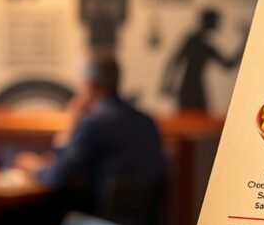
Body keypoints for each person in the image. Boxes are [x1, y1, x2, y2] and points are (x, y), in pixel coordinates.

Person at [15, 53, 167, 212]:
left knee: (6, 221)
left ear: (89, 85)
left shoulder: (94, 122)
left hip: (97, 222)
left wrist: (35, 167)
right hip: (141, 224)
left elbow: (60, 177)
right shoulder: (147, 122)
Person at [161, 8, 245, 113]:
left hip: (195, 88)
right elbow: (175, 61)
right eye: (215, 21)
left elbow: (228, 64)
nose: (218, 24)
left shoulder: (204, 45)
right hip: (190, 89)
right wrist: (167, 83)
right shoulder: (195, 41)